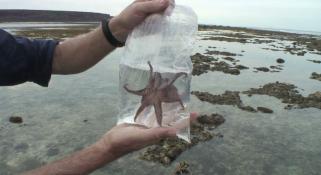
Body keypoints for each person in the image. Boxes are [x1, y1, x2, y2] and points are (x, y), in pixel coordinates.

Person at [0, 0, 197, 174]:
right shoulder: (152, 93)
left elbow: (51, 57)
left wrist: (118, 27)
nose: (148, 92)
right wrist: (106, 149)